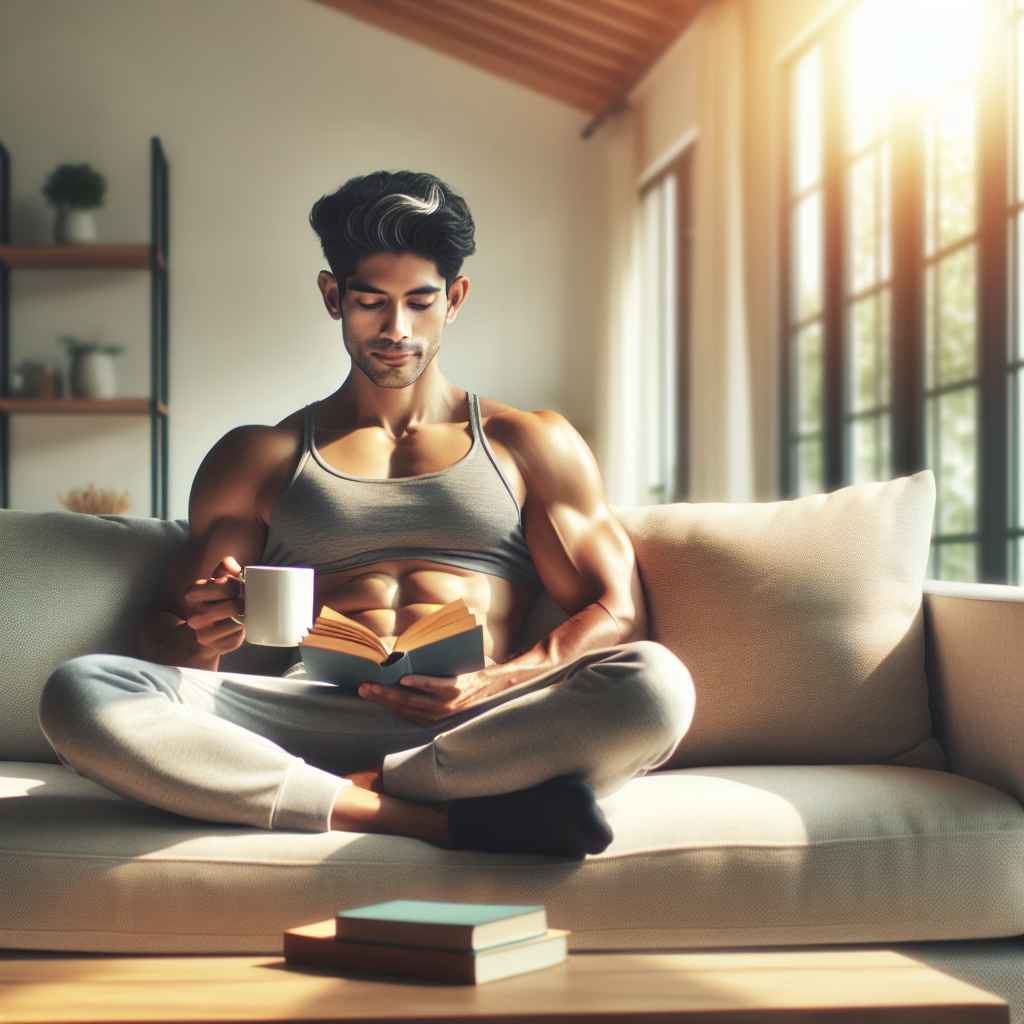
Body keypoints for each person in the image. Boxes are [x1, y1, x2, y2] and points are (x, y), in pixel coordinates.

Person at [40, 171, 695, 858]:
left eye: (420, 301)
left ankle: (344, 792)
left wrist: (492, 680)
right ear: (334, 297)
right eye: (371, 302)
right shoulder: (258, 456)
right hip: (300, 717)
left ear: (455, 299)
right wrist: (206, 637)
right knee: (81, 691)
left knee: (656, 686)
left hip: (478, 717)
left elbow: (620, 612)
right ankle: (423, 816)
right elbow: (164, 645)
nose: (396, 330)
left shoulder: (527, 442)